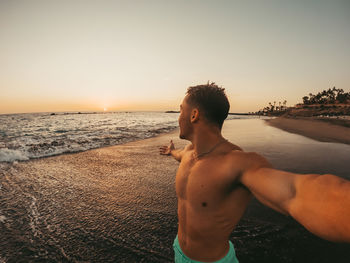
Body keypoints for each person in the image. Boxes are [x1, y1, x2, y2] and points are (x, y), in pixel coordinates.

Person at [159, 82, 350, 263]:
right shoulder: (188, 152)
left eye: (181, 109)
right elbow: (179, 155)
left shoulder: (237, 163)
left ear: (194, 115)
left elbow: (295, 192)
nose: (178, 116)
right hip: (179, 251)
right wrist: (171, 152)